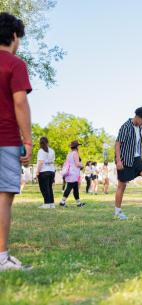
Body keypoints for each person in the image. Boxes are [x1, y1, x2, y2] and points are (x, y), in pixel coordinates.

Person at [0, 12, 33, 271]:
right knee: (3, 196)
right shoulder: (14, 63)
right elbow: (20, 102)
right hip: (5, 138)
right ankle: (1, 258)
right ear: (14, 36)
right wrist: (29, 141)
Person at [59, 141, 85, 207]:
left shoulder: (69, 154)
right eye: (78, 146)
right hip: (74, 173)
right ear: (76, 147)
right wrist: (82, 165)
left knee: (75, 189)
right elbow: (77, 164)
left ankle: (78, 203)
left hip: (70, 172)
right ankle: (62, 202)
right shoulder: (75, 153)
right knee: (69, 188)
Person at [36, 137, 56, 209]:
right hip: (51, 171)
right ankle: (52, 203)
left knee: (44, 188)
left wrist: (37, 172)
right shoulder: (52, 150)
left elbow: (41, 162)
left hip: (43, 172)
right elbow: (53, 161)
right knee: (49, 188)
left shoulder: (41, 151)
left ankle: (47, 203)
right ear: (48, 142)